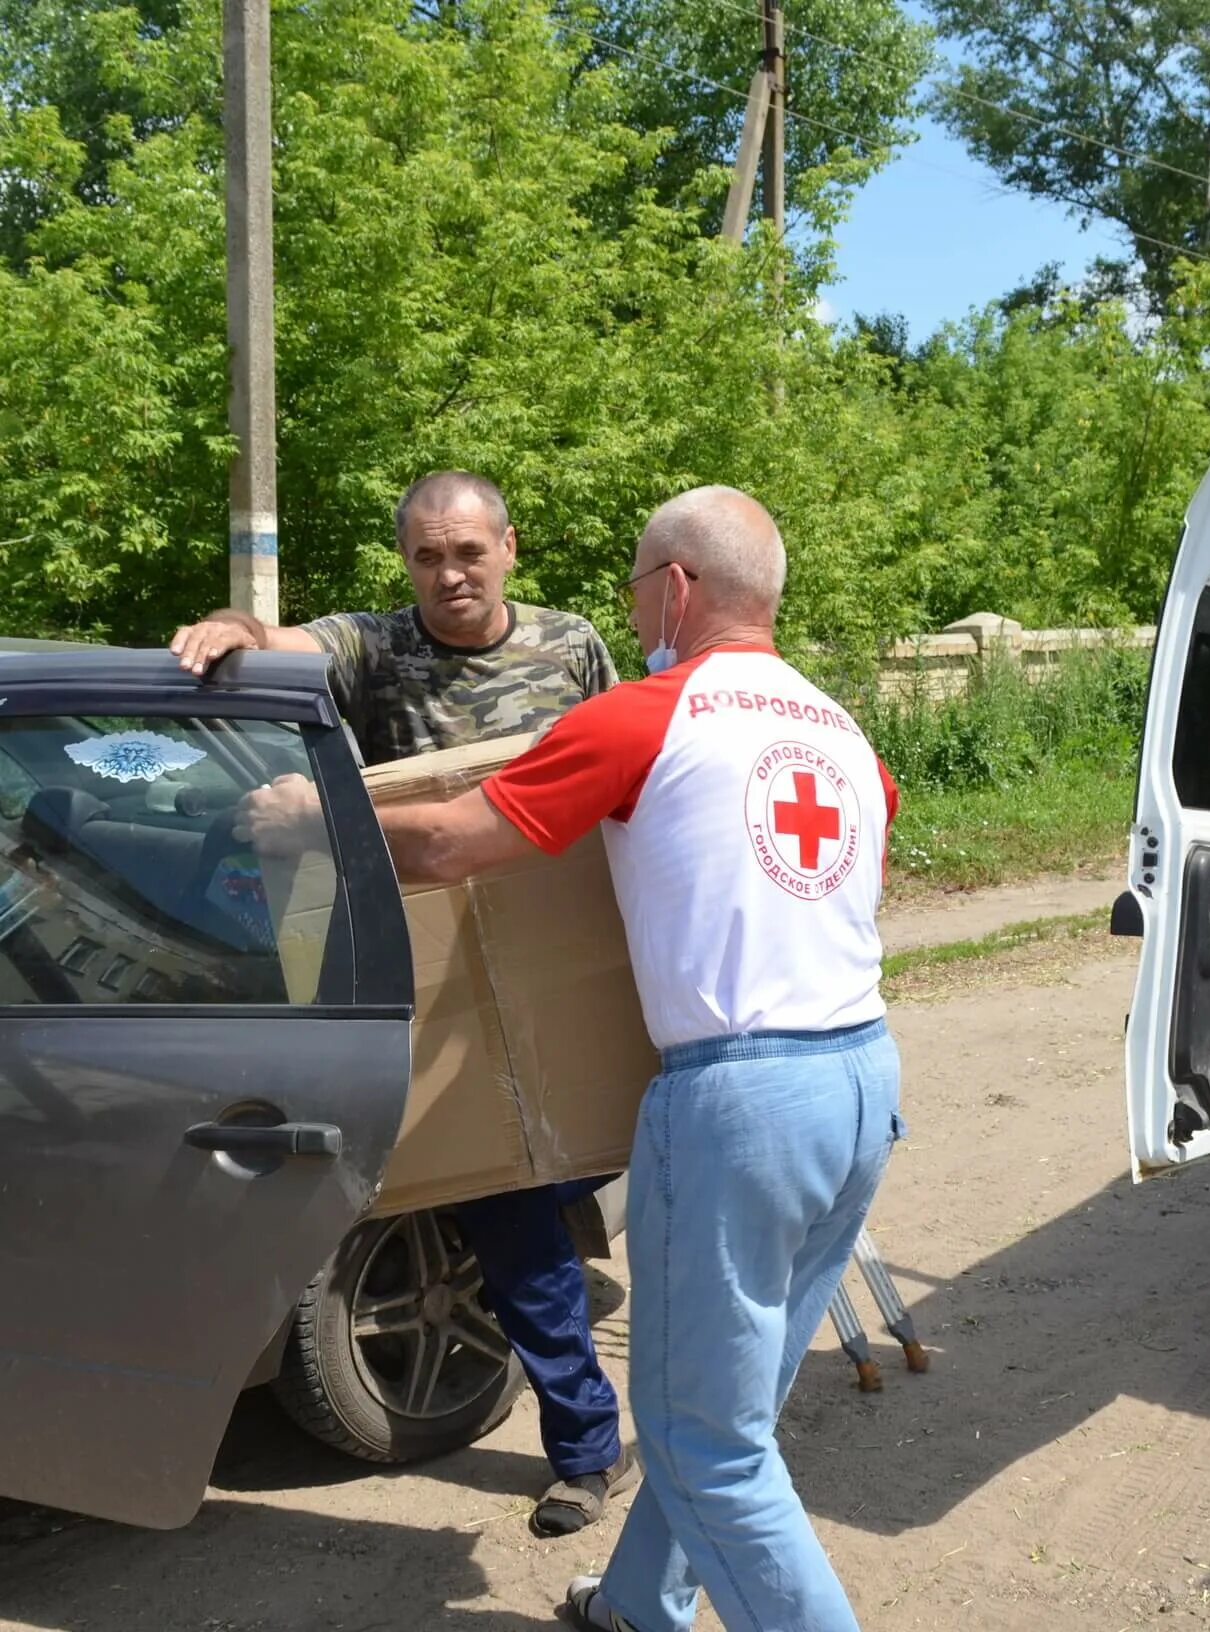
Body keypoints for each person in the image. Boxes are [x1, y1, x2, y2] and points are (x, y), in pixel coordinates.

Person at [340, 485, 902, 1632]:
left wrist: (320, 817)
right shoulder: (838, 730)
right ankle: (643, 1603)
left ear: (678, 588)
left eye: (639, 582)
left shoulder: (648, 714)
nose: (631, 604)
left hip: (741, 1100)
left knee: (706, 1448)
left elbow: (453, 844)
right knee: (725, 1408)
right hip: (861, 1078)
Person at [167, 471, 636, 1537]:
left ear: (509, 547)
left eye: (467, 552)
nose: (449, 574)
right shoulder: (378, 646)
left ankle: (713, 1427)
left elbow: (626, 778)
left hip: (569, 960)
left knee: (632, 1169)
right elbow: (284, 642)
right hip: (438, 967)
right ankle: (586, 1451)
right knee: (511, 1209)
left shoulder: (573, 646)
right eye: (427, 556)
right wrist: (230, 628)